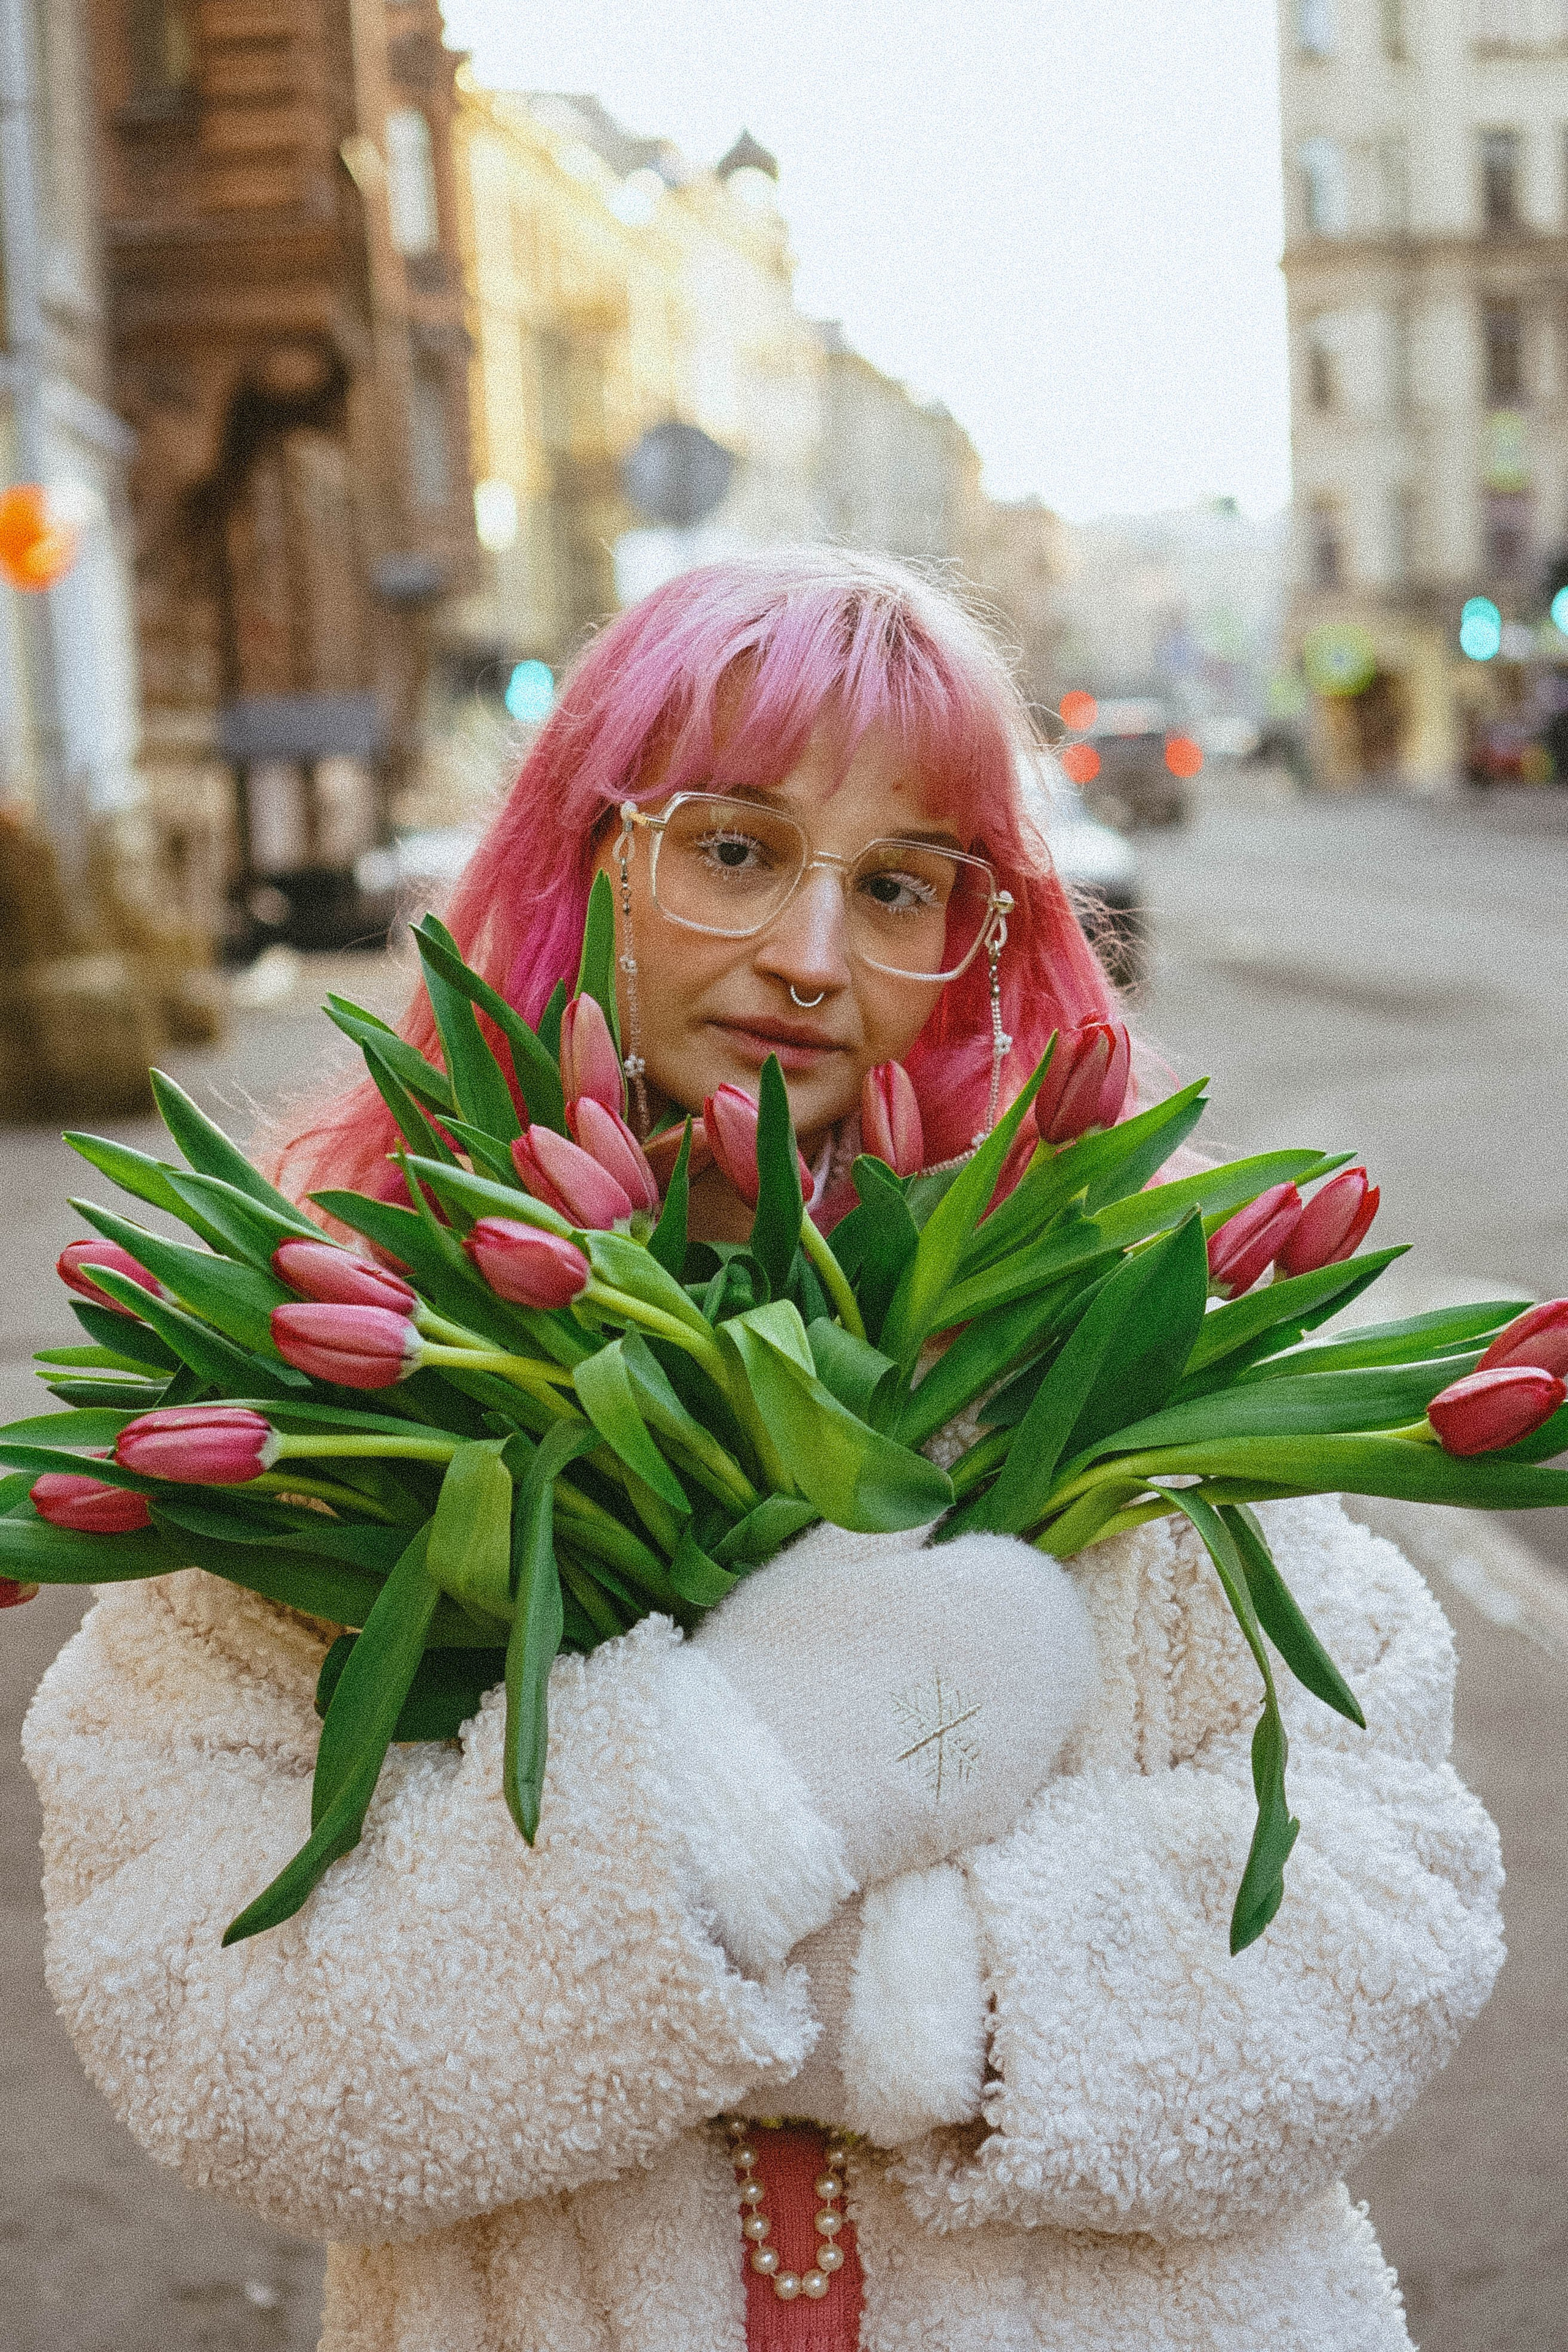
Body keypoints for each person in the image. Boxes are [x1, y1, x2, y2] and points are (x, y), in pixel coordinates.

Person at [24, 551, 1502, 2352]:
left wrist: (900, 1991)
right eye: (734, 848)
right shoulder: (343, 1398)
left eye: (898, 885)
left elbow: (1381, 1914)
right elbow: (206, 2009)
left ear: (983, 936)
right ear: (592, 858)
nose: (811, 958)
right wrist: (738, 1793)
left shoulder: (1119, 1350)